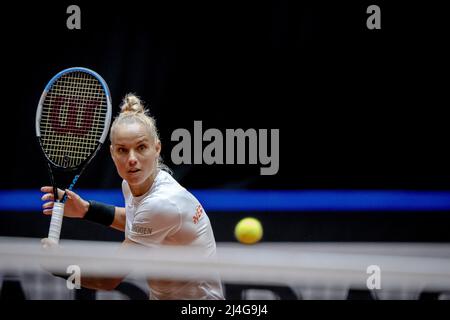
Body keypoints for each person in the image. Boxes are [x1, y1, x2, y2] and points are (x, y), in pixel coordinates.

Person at [40, 94, 224, 300]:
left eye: (141, 147)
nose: (132, 159)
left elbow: (107, 280)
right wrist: (86, 209)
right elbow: (137, 222)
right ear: (112, 153)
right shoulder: (133, 184)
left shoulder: (163, 203)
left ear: (157, 148)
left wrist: (60, 268)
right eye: (122, 150)